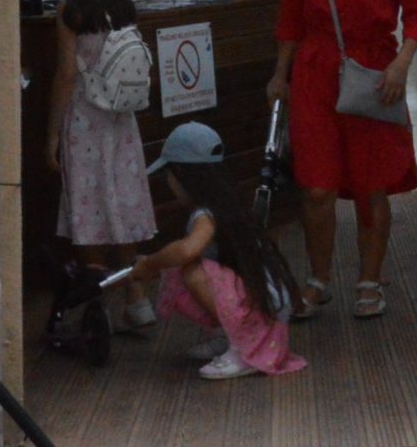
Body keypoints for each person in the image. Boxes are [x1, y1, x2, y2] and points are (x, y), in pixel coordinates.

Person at [266, 0, 417, 320]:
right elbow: (290, 20)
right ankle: (318, 279)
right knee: (316, 186)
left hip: (374, 74)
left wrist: (401, 63)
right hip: (314, 72)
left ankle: (369, 280)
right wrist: (280, 75)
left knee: (370, 185)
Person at [45, 0, 158, 332]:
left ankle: (97, 304)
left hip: (85, 120)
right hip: (121, 121)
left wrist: (51, 135)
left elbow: (65, 75)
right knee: (122, 202)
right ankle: (137, 298)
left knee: (88, 206)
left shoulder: (71, 12)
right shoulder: (121, 4)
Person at [128, 121, 306, 380]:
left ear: (184, 175)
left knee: (193, 272)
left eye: (169, 176)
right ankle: (229, 336)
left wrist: (151, 263)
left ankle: (243, 349)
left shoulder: (207, 214)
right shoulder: (227, 202)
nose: (169, 184)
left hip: (265, 310)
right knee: (183, 270)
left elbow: (187, 250)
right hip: (264, 304)